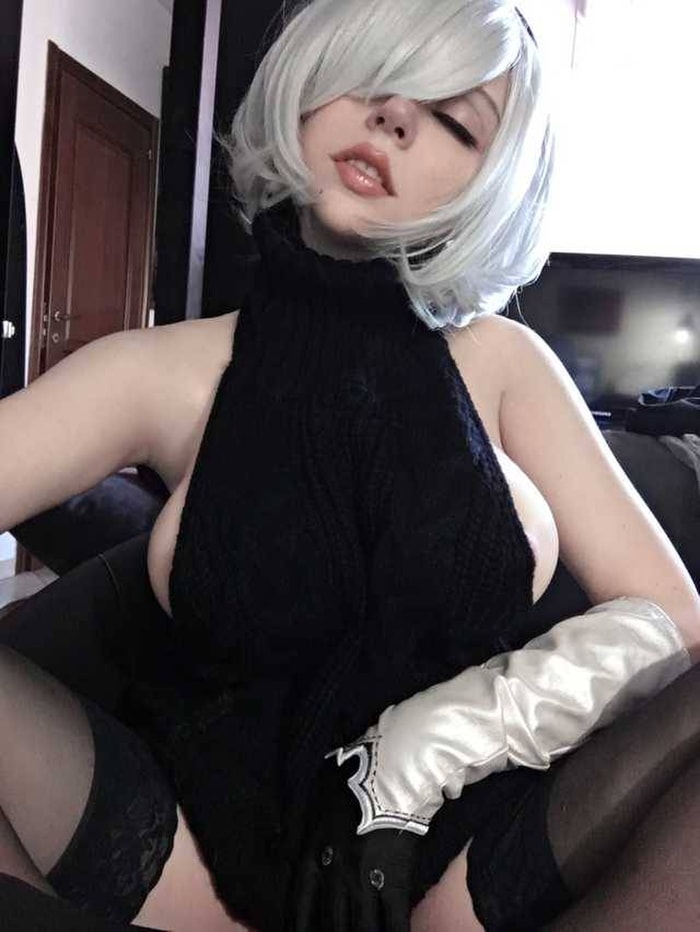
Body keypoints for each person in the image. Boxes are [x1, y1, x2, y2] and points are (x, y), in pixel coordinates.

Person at [0, 1, 698, 930]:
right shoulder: (159, 372)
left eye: (455, 121)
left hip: (468, 864)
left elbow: (675, 623)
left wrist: (412, 758)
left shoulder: (504, 363)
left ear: (488, 182)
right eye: (376, 73)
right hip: (193, 870)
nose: (395, 116)